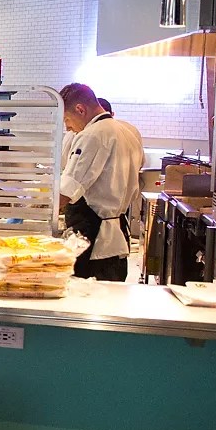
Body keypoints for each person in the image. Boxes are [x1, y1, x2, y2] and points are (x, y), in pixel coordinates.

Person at [59, 82, 144, 282]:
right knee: (111, 294)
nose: (68, 127)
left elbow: (68, 190)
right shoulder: (127, 131)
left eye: (67, 119)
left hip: (94, 240)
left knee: (86, 296)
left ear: (80, 109)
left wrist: (38, 211)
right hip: (117, 235)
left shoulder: (92, 135)